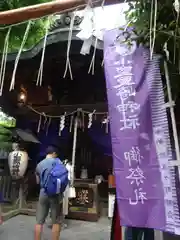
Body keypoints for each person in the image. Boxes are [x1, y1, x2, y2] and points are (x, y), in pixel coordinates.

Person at [34, 146, 66, 240]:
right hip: (55, 194)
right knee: (56, 221)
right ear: (54, 153)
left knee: (39, 221)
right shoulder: (58, 162)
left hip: (43, 192)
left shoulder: (40, 164)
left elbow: (37, 181)